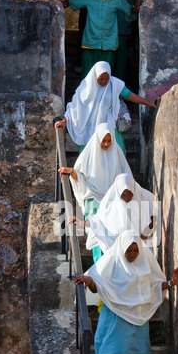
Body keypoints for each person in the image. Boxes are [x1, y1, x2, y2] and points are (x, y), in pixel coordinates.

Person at [75, 230, 178, 354]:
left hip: (139, 317)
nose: (132, 255)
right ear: (121, 249)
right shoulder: (112, 261)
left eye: (135, 251)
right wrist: (89, 280)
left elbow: (155, 285)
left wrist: (171, 282)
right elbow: (96, 284)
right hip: (115, 314)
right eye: (128, 251)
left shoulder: (145, 263)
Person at [59, 123, 132, 262]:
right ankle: (99, 275)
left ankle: (111, 274)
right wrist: (72, 172)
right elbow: (81, 178)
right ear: (97, 138)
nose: (106, 144)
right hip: (94, 203)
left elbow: (126, 177)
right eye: (103, 140)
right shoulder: (89, 154)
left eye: (109, 140)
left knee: (114, 239)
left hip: (114, 204)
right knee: (98, 240)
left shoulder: (117, 153)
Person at [54, 61, 156, 155]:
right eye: (101, 78)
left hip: (110, 126)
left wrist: (148, 103)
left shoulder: (115, 84)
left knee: (115, 156)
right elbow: (74, 107)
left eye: (106, 78)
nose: (104, 81)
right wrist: (64, 121)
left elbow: (130, 95)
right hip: (91, 129)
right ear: (95, 76)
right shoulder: (85, 87)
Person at [69, 173, 158, 255]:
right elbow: (98, 220)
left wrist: (145, 234)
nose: (127, 198)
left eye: (130, 194)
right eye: (124, 195)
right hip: (120, 250)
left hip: (141, 246)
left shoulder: (144, 195)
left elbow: (154, 214)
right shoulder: (108, 204)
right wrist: (82, 223)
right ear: (118, 192)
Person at [61, 0, 140, 78]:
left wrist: (139, 8)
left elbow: (130, 10)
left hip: (109, 45)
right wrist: (60, 3)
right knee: (88, 77)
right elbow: (71, 2)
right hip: (90, 44)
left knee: (105, 77)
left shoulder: (117, 0)